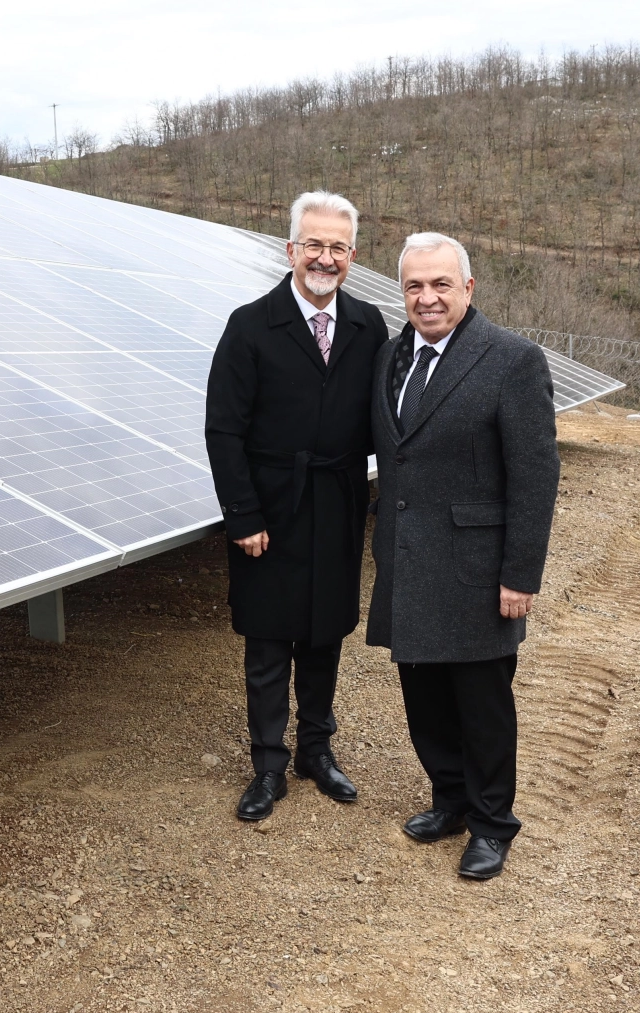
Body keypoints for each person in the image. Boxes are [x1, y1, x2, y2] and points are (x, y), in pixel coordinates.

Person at [366, 232, 560, 879]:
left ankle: (491, 822)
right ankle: (448, 800)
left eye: (440, 284)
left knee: (481, 706)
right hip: (408, 564)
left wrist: (518, 574)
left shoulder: (512, 360)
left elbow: (534, 476)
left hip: (477, 573)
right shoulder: (392, 358)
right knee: (423, 699)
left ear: (468, 288)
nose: (427, 297)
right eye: (415, 286)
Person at [205, 191, 389, 821]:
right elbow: (223, 430)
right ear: (290, 249)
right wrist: (243, 515)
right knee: (267, 641)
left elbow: (380, 423)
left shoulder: (369, 327)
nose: (325, 257)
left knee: (323, 635)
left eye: (338, 247)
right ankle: (267, 766)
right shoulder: (249, 325)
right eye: (314, 244)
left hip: (337, 505)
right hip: (271, 510)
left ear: (353, 256)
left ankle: (316, 751)